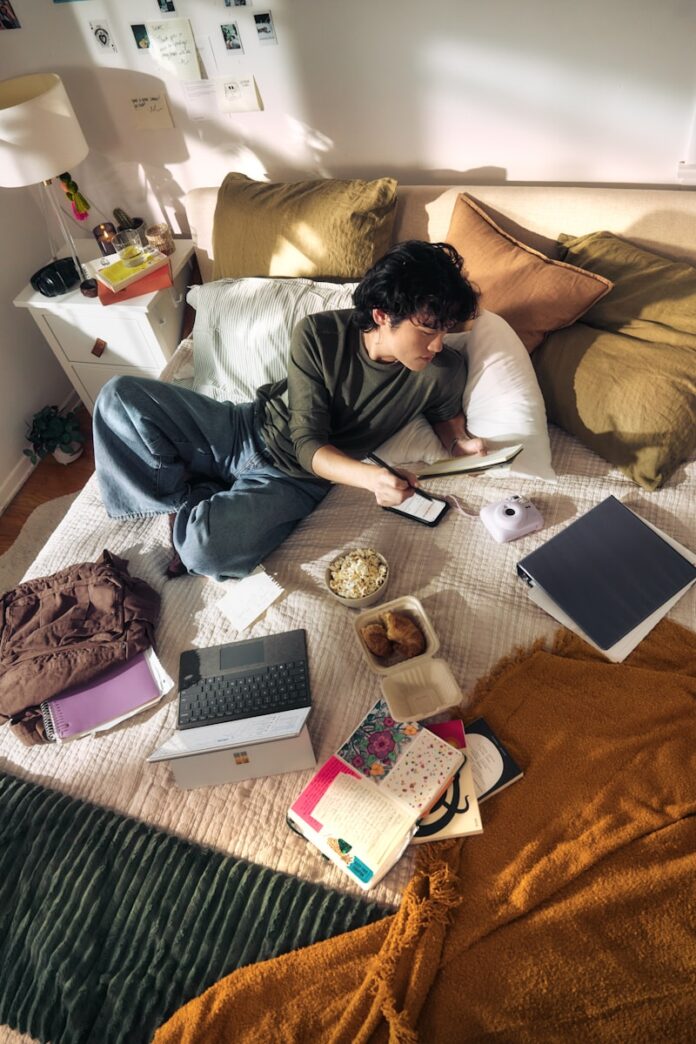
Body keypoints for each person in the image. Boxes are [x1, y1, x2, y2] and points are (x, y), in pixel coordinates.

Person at [93, 240, 485, 581]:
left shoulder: (442, 370)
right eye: (429, 330)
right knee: (118, 396)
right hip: (242, 426)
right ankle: (185, 496)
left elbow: (448, 423)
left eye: (446, 330)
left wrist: (460, 445)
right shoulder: (319, 333)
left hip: (295, 479)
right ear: (383, 314)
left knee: (203, 552)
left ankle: (197, 495)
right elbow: (305, 438)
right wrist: (373, 479)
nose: (437, 344)